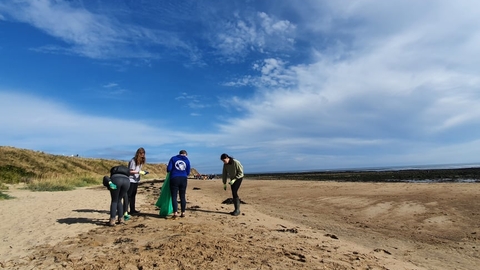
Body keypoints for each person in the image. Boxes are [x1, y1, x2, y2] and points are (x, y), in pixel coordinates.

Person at [167, 150, 191, 218]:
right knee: (182, 196)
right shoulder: (187, 160)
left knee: (174, 196)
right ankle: (183, 212)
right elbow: (188, 172)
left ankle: (175, 213)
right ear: (185, 154)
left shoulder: (173, 158)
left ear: (179, 154)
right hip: (183, 179)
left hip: (174, 178)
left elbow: (169, 169)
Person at [127, 147, 148, 215]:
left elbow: (138, 170)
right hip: (131, 179)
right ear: (138, 153)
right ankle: (125, 210)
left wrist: (142, 172)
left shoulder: (141, 161)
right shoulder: (133, 160)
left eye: (143, 153)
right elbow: (130, 171)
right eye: (141, 153)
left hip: (136, 180)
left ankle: (132, 209)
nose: (143, 155)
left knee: (133, 195)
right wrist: (139, 172)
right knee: (129, 195)